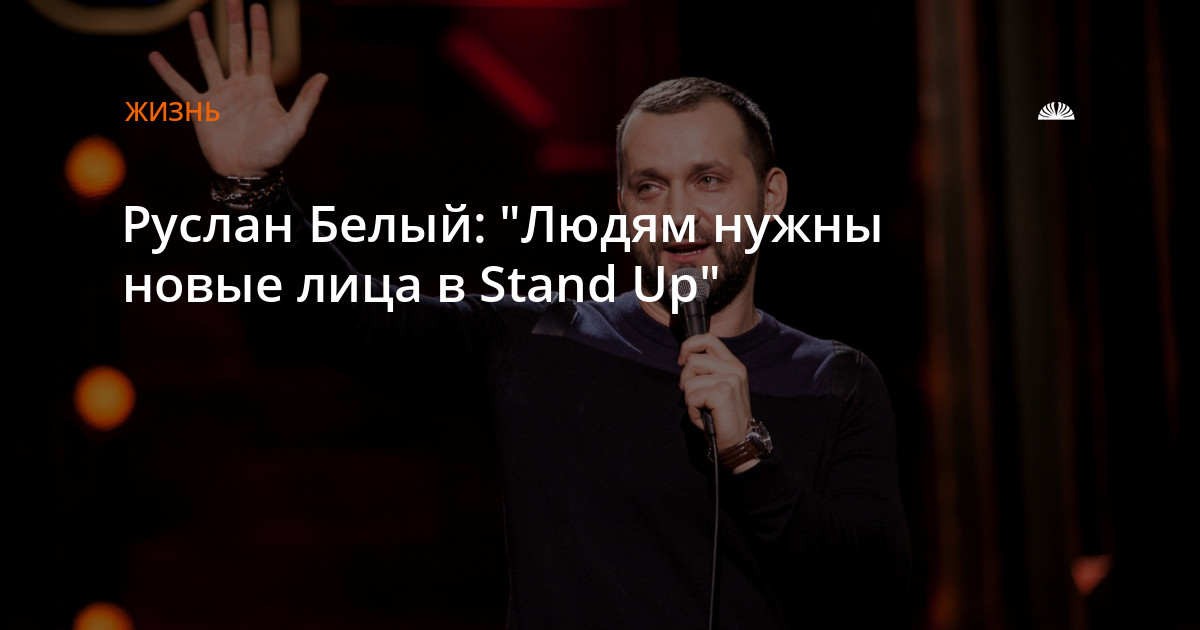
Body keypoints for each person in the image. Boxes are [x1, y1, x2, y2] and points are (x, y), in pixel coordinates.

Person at [149, 1, 911, 626]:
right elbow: (340, 317)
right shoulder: (541, 342)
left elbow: (876, 592)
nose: (678, 214)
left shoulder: (834, 381)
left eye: (708, 180)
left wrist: (748, 455)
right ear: (622, 207)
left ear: (770, 196)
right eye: (649, 187)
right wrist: (251, 191)